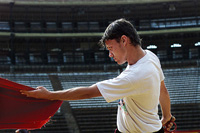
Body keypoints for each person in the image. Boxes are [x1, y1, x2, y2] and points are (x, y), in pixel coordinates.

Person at [21, 18, 175, 133]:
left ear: (123, 40)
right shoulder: (149, 56)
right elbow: (163, 90)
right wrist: (166, 116)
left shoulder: (134, 76)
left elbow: (88, 92)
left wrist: (49, 95)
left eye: (110, 48)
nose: (110, 55)